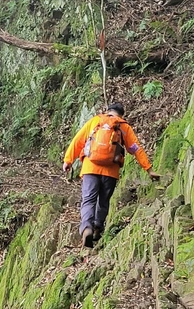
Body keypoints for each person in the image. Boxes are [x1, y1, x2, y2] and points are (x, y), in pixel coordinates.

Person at [62, 102, 160, 247]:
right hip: (110, 172)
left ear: (108, 111)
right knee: (103, 201)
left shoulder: (95, 121)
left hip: (90, 168)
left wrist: (68, 160)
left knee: (88, 200)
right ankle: (97, 228)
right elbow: (135, 148)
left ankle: (86, 228)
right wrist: (149, 169)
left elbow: (78, 140)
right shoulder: (123, 127)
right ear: (121, 115)